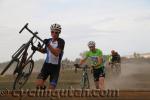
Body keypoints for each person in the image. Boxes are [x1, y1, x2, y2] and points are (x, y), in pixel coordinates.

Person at [32, 23, 65, 90]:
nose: (54, 33)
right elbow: (45, 51)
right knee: (38, 85)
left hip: (55, 68)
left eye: (56, 32)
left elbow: (56, 53)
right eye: (52, 32)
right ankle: (43, 88)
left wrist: (48, 45)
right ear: (51, 32)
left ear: (59, 33)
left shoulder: (61, 41)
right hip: (46, 66)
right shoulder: (49, 40)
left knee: (51, 90)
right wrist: (37, 48)